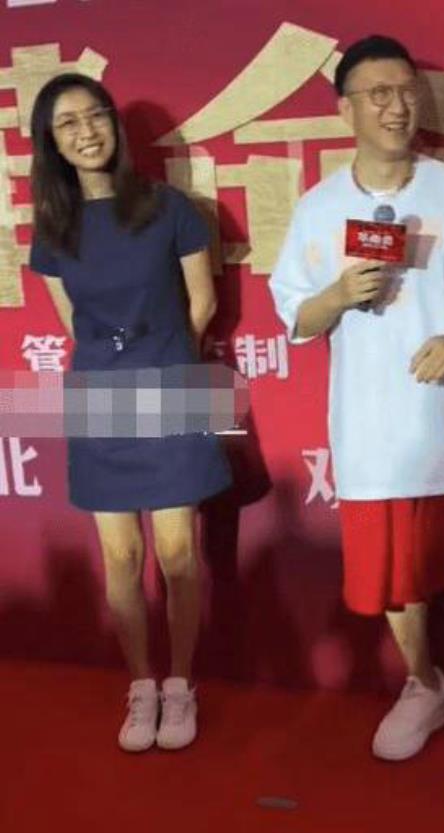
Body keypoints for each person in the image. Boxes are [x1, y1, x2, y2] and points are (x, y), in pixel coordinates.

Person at [269, 35, 444, 779]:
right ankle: (425, 685)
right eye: (378, 93)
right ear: (345, 110)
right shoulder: (319, 208)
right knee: (394, 579)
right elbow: (296, 317)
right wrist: (337, 294)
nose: (396, 106)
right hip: (371, 432)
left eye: (406, 91)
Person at [28, 74, 232, 752]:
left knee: (177, 551)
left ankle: (180, 683)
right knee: (121, 555)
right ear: (52, 143)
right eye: (68, 124)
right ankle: (141, 684)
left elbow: (202, 304)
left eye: (96, 116)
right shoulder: (53, 228)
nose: (86, 132)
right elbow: (72, 322)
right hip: (100, 394)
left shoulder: (168, 207)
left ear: (114, 124)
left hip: (170, 381)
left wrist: (164, 365)